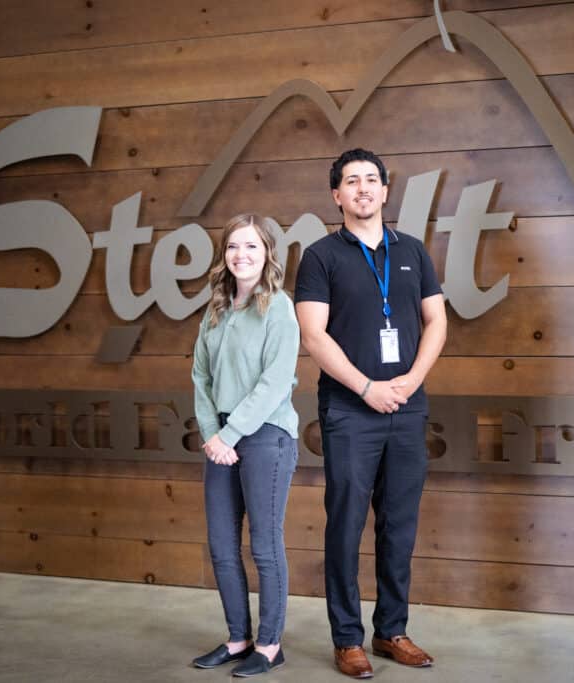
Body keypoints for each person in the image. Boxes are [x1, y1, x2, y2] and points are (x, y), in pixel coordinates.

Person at [294, 149, 447, 678]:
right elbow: (313, 334)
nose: (363, 188)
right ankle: (346, 639)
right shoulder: (319, 256)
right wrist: (366, 387)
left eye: (371, 180)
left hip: (407, 406)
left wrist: (411, 379)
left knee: (399, 525)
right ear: (336, 195)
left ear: (385, 191)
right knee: (346, 524)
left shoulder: (413, 251)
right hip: (349, 412)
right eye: (351, 181)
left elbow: (436, 321)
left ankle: (392, 632)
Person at [190, 213, 301, 678]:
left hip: (267, 437)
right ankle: (239, 639)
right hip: (221, 442)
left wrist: (231, 435)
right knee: (220, 546)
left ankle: (271, 645)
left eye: (252, 247)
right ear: (224, 255)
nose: (242, 255)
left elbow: (275, 382)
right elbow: (200, 377)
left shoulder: (278, 307)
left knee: (265, 546)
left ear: (267, 253)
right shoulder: (215, 310)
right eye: (234, 247)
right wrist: (212, 435)